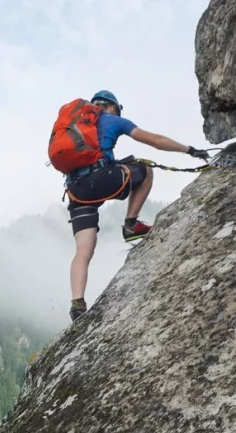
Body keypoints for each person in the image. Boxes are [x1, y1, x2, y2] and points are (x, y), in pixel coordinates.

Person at [65, 90, 210, 322]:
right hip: (100, 180)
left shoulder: (76, 127)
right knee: (145, 170)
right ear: (113, 107)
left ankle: (77, 303)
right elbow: (155, 141)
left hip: (75, 190)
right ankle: (131, 224)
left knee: (83, 251)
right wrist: (190, 150)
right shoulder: (113, 119)